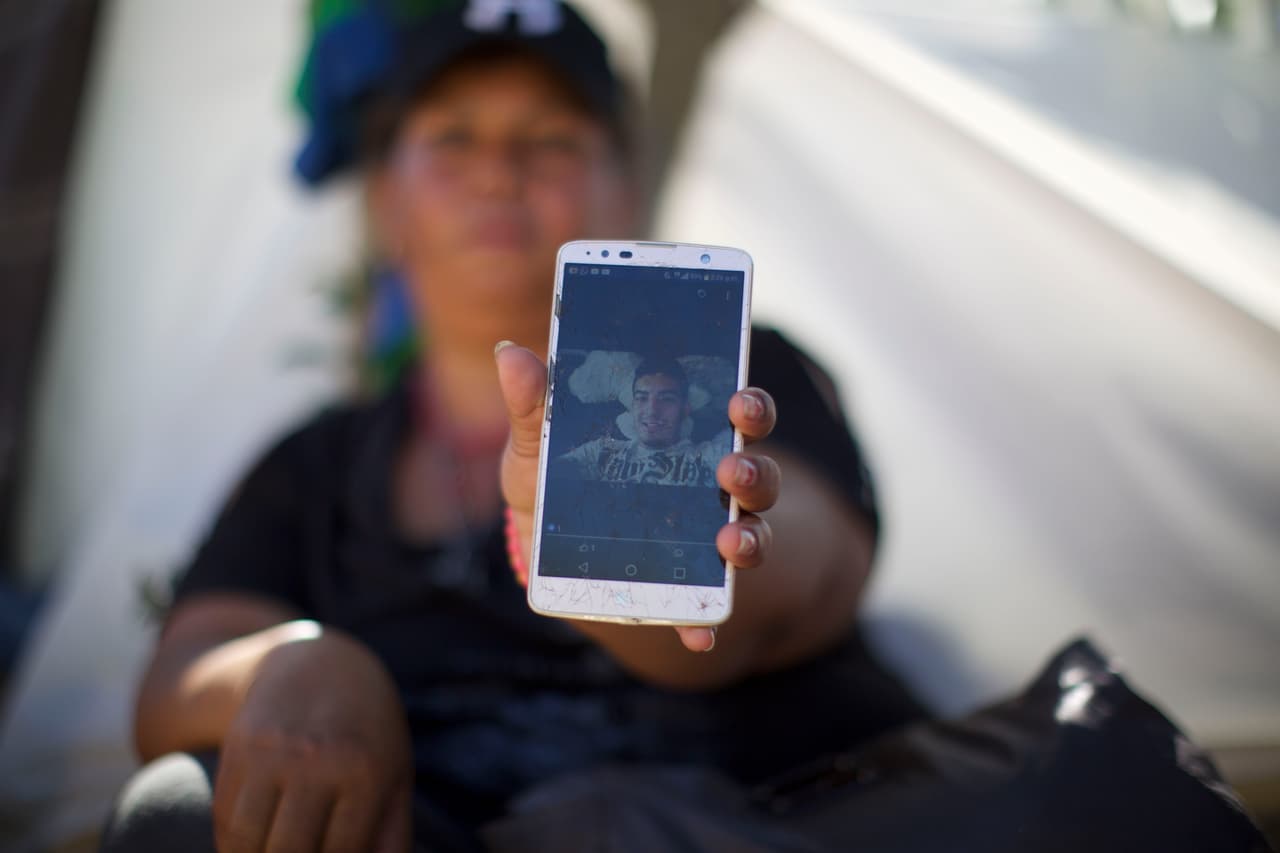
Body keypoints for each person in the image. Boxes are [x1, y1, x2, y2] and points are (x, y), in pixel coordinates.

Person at [101, 2, 926, 850]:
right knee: (176, 813)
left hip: (734, 820)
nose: (498, 170)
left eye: (553, 141)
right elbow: (177, 675)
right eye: (454, 138)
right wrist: (299, 664)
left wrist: (616, 546)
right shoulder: (315, 465)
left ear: (627, 189)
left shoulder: (744, 370)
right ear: (386, 199)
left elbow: (800, 574)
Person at [557, 355, 728, 486]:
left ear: (685, 409)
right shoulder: (603, 451)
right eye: (642, 398)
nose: (652, 411)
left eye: (666, 399)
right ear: (632, 406)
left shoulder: (707, 457)